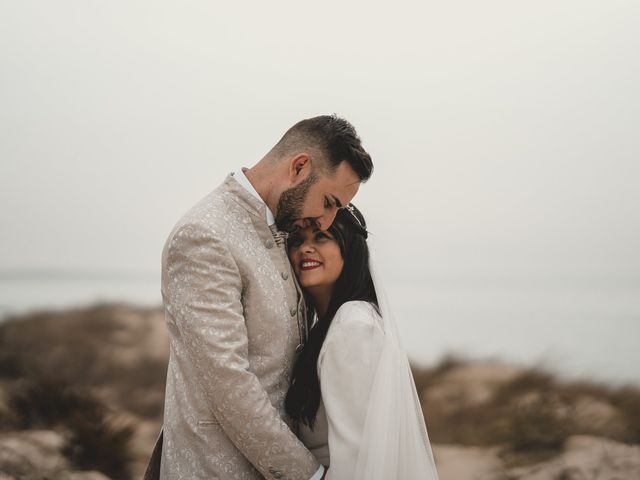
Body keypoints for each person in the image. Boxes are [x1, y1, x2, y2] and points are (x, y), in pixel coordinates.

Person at [146, 115, 373, 480]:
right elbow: (228, 381)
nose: (328, 222)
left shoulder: (287, 229)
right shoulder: (204, 235)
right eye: (329, 202)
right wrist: (310, 475)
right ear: (299, 167)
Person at [286, 205, 439, 480]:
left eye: (320, 236)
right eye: (297, 240)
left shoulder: (353, 327)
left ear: (351, 250)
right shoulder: (331, 325)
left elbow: (360, 453)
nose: (305, 248)